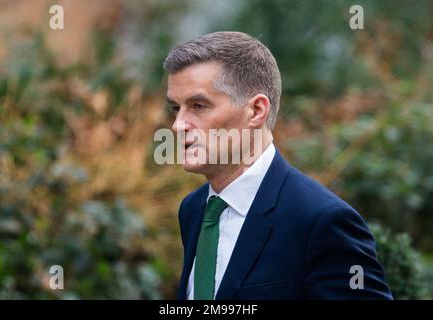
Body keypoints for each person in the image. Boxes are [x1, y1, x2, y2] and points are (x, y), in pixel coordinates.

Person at [163, 31, 393, 300]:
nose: (178, 125)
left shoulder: (321, 221)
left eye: (198, 106)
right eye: (175, 109)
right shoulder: (193, 209)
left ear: (257, 111)